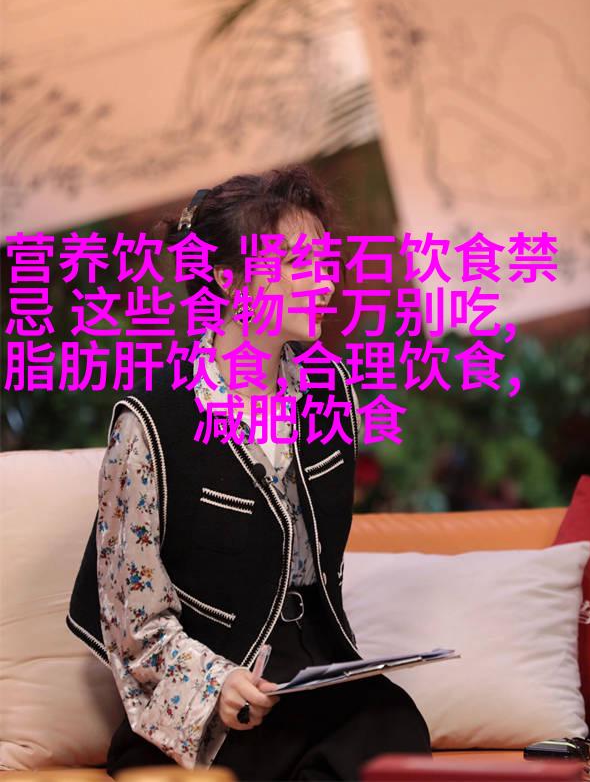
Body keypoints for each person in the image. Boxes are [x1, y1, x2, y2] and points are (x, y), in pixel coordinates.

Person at [67, 165, 432, 780]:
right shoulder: (152, 423)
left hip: (316, 684)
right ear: (226, 277)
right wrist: (216, 684)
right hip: (215, 708)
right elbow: (131, 621)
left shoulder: (330, 392)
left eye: (326, 261)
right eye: (296, 263)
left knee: (390, 727)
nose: (325, 282)